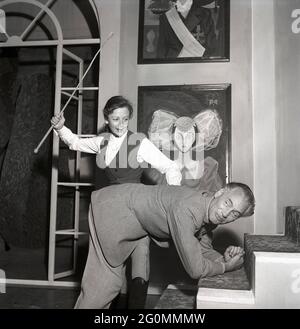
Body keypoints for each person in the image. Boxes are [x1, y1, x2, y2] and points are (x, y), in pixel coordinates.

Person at [51, 95, 182, 309]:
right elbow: (74, 142)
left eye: (125, 119)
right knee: (112, 267)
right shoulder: (101, 141)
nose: (121, 124)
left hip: (138, 211)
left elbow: (172, 167)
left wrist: (172, 198)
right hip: (112, 213)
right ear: (107, 119)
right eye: (115, 119)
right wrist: (60, 128)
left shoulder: (139, 142)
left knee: (141, 259)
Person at [74, 181, 255, 308]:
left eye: (234, 214)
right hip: (114, 209)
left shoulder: (209, 209)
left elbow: (203, 249)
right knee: (106, 286)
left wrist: (224, 257)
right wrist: (225, 267)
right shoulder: (189, 210)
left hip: (136, 221)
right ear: (220, 192)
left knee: (120, 281)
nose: (226, 214)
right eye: (227, 203)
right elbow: (196, 269)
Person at [144, 108, 223, 192]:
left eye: (189, 136)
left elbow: (213, 198)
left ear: (195, 137)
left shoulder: (207, 168)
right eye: (179, 136)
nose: (184, 140)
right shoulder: (161, 167)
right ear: (172, 136)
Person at [152, 0, 218, 58]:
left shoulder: (205, 13)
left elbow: (211, 46)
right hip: (173, 63)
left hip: (197, 63)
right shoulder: (166, 15)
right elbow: (162, 48)